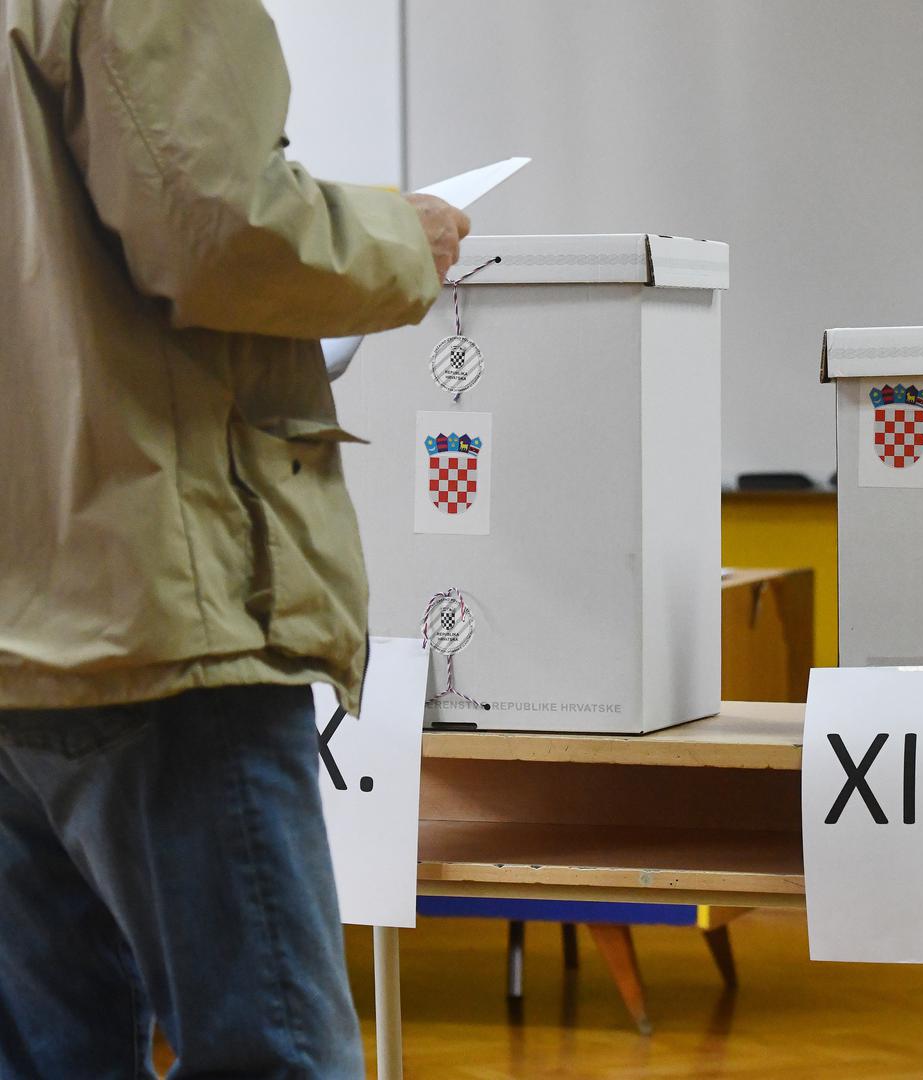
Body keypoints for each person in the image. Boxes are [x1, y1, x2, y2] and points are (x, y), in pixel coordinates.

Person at [0, 1, 469, 1075]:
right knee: (272, 1053)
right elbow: (214, 229)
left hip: (28, 613)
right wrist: (406, 234)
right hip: (152, 610)